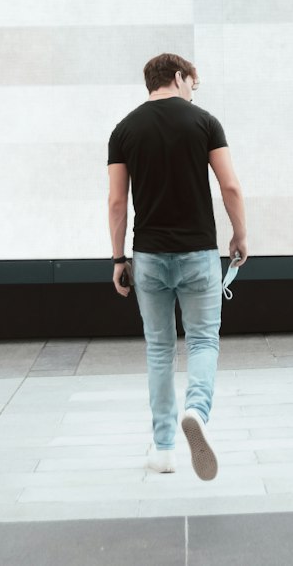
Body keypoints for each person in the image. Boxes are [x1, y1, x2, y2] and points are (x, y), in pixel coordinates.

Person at [107, 52, 248, 481]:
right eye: (193, 84)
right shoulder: (204, 123)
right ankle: (197, 412)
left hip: (148, 255)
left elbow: (117, 202)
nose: (193, 92)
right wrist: (240, 236)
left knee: (159, 349)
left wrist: (118, 258)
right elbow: (230, 186)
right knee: (204, 341)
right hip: (199, 255)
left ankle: (165, 448)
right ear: (180, 77)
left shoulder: (124, 130)